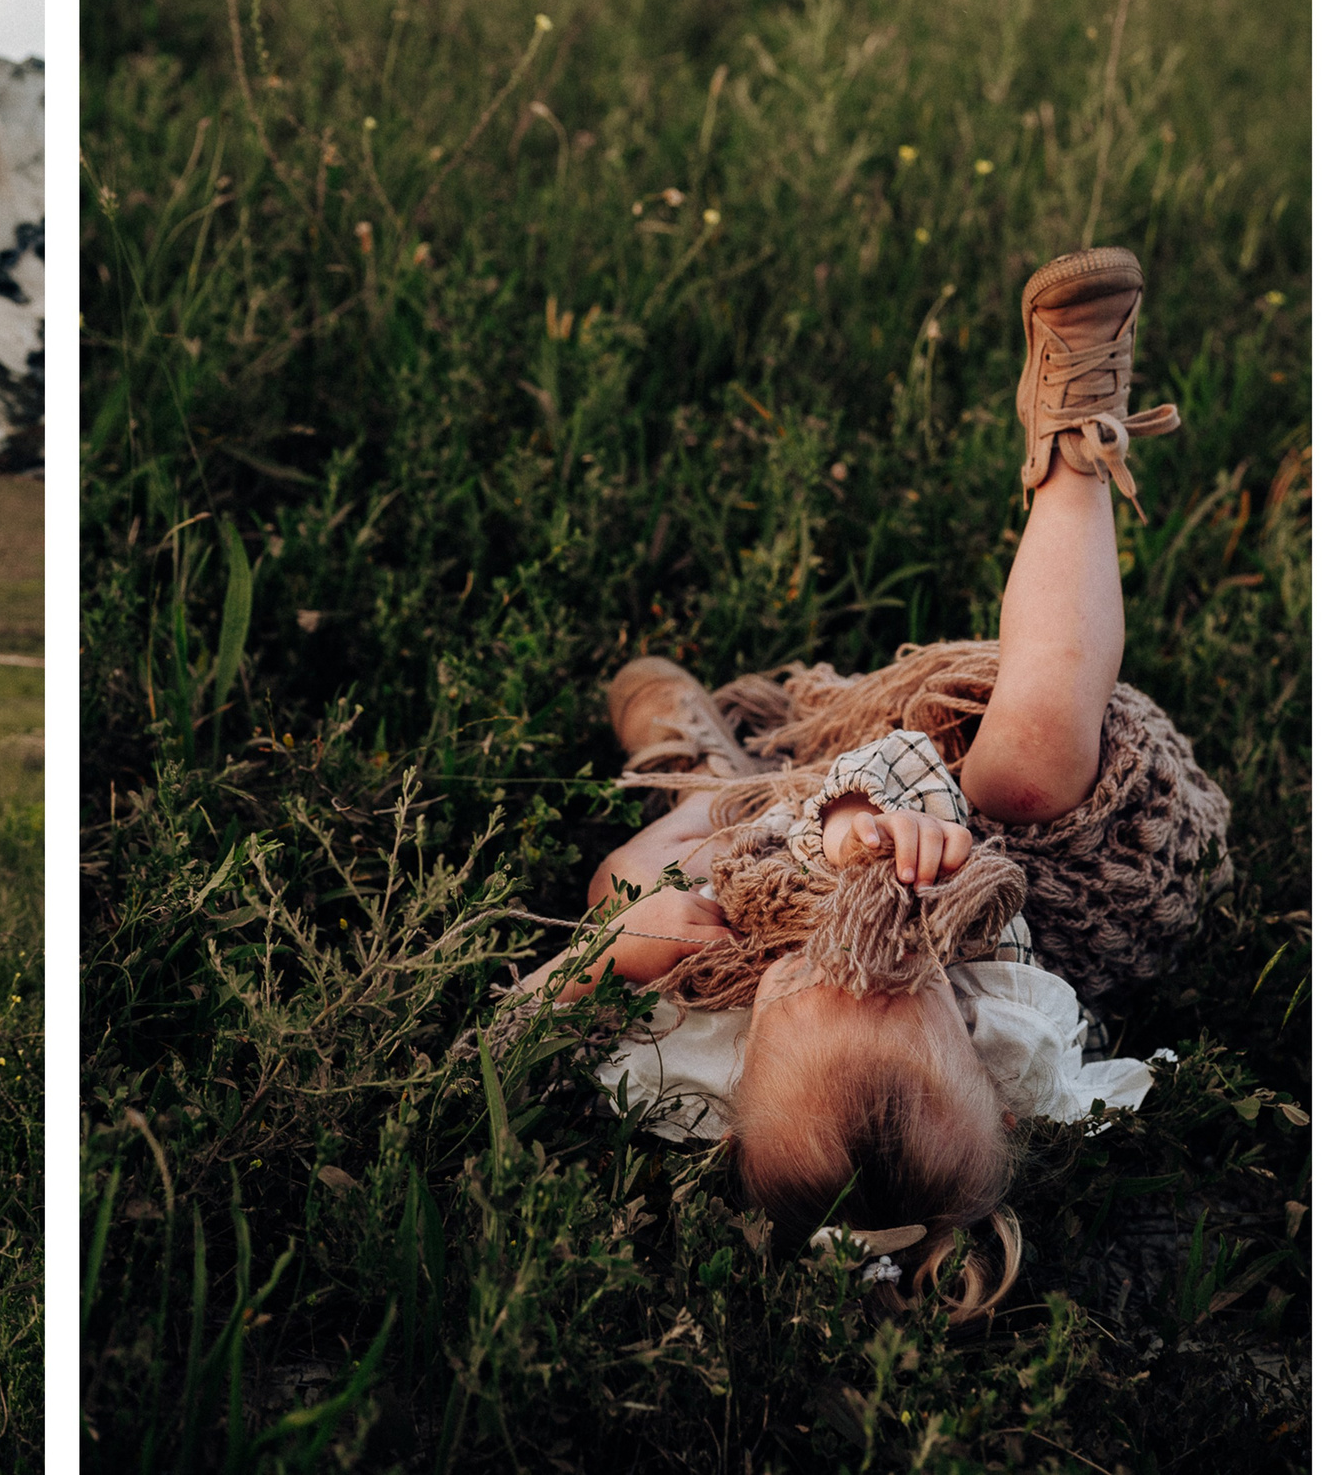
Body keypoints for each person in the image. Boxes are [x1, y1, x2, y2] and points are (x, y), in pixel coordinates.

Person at [510, 247, 1225, 1321]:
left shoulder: (689, 1083)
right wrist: (872, 823)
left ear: (735, 1092)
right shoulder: (1010, 1057)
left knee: (636, 878)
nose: (864, 941)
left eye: (810, 984)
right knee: (1031, 768)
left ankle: (700, 767)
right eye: (912, 980)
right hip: (1018, 860)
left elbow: (495, 1038)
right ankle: (1077, 444)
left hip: (749, 858)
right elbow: (922, 806)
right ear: (991, 1079)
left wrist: (606, 956)